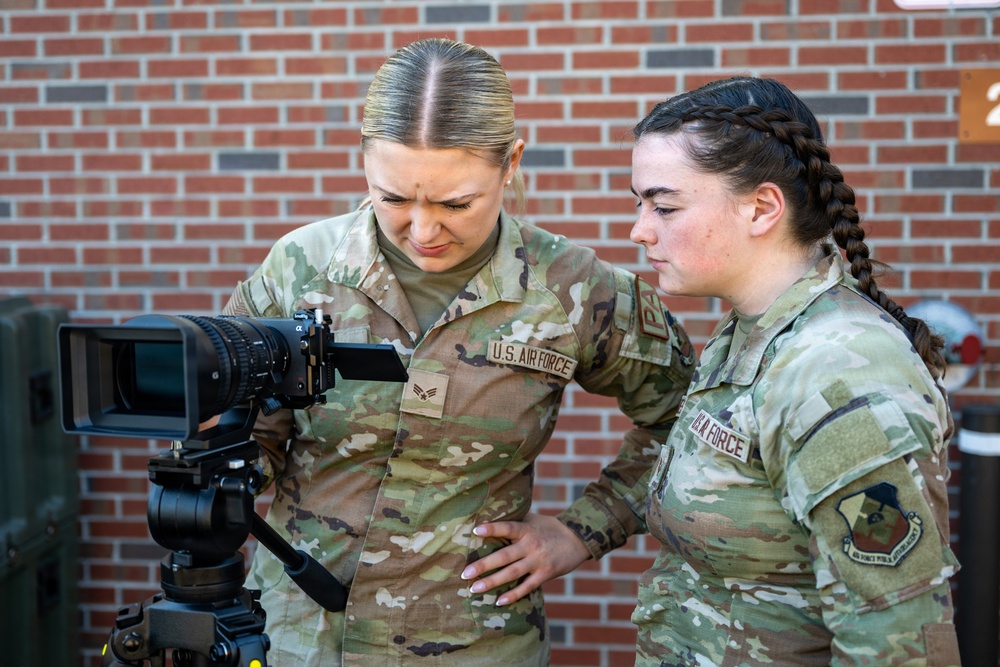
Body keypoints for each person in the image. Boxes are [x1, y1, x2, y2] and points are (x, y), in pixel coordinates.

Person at [220, 38, 696, 666]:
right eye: (392, 198)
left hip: (472, 644)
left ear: (511, 163)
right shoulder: (300, 269)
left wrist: (582, 530)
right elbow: (240, 437)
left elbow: (691, 421)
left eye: (455, 204)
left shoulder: (574, 289)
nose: (422, 230)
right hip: (296, 637)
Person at [624, 76, 961, 665]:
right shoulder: (754, 330)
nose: (640, 229)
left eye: (665, 205)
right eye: (640, 203)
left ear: (761, 208)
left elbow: (895, 638)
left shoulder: (837, 373)